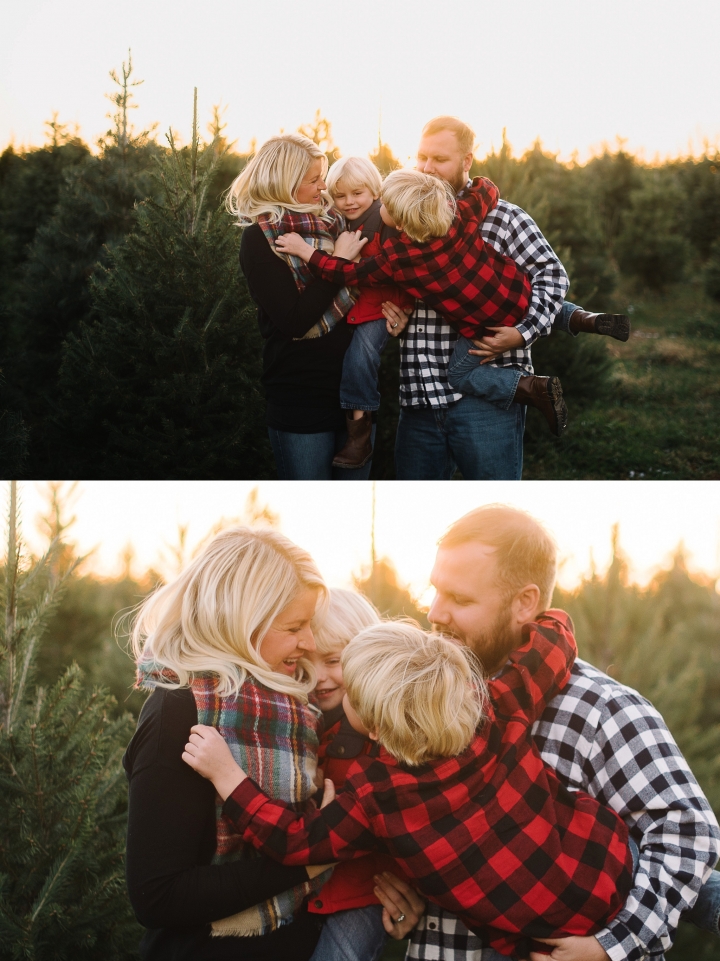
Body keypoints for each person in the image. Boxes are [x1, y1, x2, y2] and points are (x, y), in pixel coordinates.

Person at [182, 612, 638, 959]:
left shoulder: (376, 797)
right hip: (610, 860)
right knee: (667, 868)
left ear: (376, 730)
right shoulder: (496, 706)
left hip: (543, 937)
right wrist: (544, 615)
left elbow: (292, 840)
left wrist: (228, 775)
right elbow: (555, 644)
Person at [407, 504, 720, 961]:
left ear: (525, 602)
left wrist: (611, 946)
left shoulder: (602, 709)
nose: (435, 613)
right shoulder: (426, 702)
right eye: (434, 591)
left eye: (461, 599)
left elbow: (687, 830)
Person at [123, 526, 411, 961]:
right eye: (295, 627)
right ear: (243, 619)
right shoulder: (180, 712)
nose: (309, 643)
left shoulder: (300, 710)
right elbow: (159, 896)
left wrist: (399, 897)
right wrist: (313, 859)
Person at [393, 117, 628, 480]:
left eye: (439, 159)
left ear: (467, 161)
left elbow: (552, 276)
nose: (426, 168)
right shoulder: (400, 215)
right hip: (420, 395)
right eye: (421, 157)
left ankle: (577, 323)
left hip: (485, 403)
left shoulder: (503, 218)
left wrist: (523, 333)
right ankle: (581, 318)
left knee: (496, 503)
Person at [278, 169, 569, 457]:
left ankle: (533, 387)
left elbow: (347, 272)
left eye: (387, 207)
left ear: (402, 224)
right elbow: (488, 190)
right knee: (548, 306)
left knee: (457, 373)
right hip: (520, 296)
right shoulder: (461, 216)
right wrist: (468, 185)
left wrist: (305, 251)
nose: (382, 209)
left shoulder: (400, 259)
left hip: (486, 327)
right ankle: (578, 317)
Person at [226, 134, 411, 480]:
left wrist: (396, 318)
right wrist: (337, 261)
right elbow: (294, 321)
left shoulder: (335, 222)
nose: (324, 187)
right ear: (286, 182)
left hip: (354, 401)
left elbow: (370, 289)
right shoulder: (261, 239)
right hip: (302, 399)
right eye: (314, 180)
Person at [305, 588, 421, 961]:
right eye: (306, 663)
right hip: (307, 893)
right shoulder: (303, 724)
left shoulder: (386, 734)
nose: (318, 677)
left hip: (364, 895)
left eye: (333, 660)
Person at [322, 157, 415, 469]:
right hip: (353, 309)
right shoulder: (338, 223)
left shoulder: (384, 223)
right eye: (340, 196)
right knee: (346, 360)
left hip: (380, 308)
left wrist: (406, 307)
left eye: (357, 193)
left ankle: (359, 437)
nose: (349, 202)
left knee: (360, 357)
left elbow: (405, 270)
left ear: (375, 191)